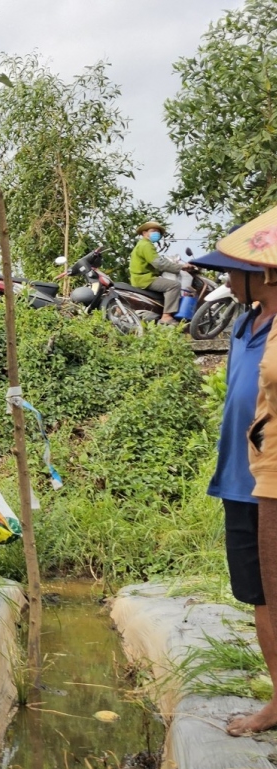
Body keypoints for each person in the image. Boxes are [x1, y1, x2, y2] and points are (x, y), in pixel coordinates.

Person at [205, 210, 277, 735]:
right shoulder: (243, 324)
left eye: (235, 270)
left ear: (264, 275)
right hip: (239, 476)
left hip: (270, 479)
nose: (227, 279)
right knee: (257, 592)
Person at [129, 221, 191, 325]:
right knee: (174, 285)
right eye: (153, 231)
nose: (156, 234)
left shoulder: (143, 245)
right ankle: (166, 316)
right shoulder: (146, 245)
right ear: (144, 233)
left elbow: (159, 263)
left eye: (158, 232)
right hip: (145, 279)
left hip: (141, 278)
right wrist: (181, 267)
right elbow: (159, 264)